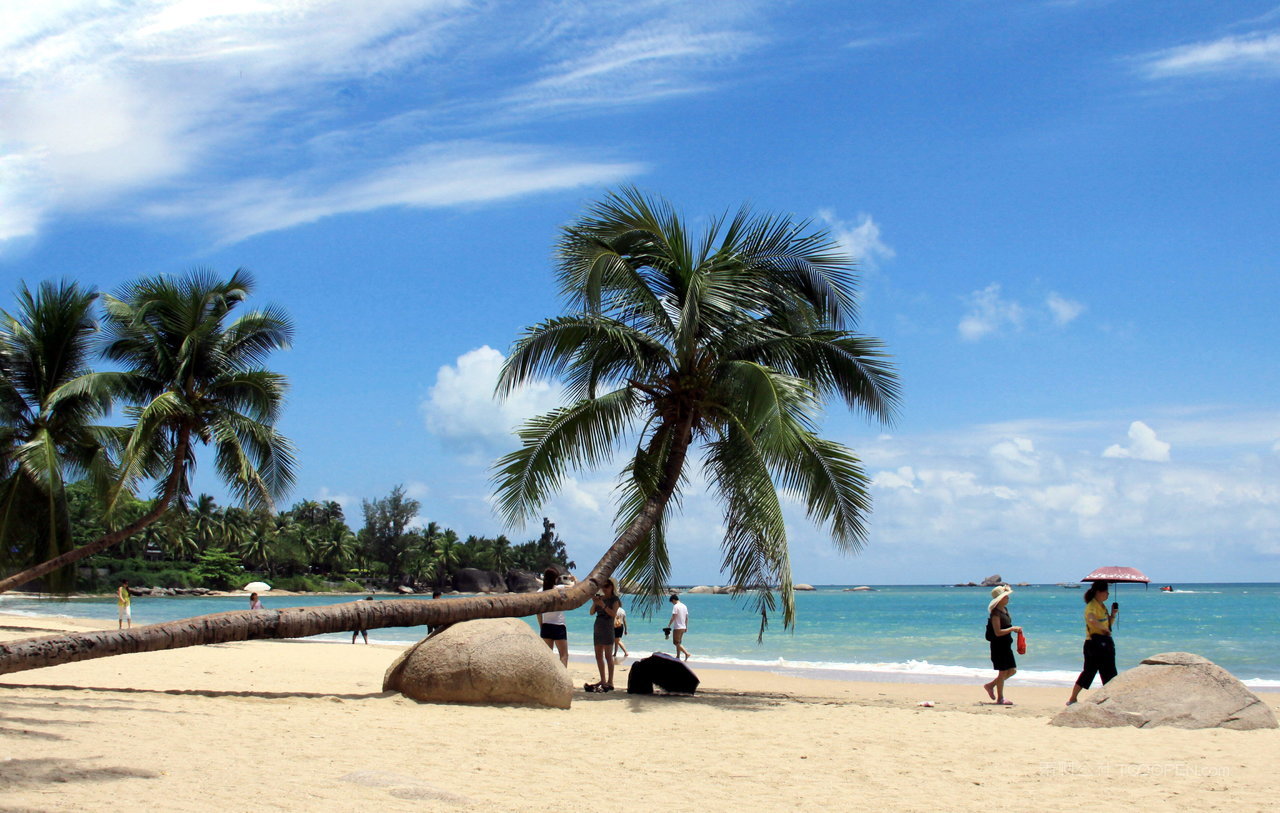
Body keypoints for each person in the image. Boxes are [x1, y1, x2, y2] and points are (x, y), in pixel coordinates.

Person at [1067, 581, 1119, 705]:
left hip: (1105, 642)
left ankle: (1111, 698)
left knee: (1110, 672)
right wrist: (1103, 629)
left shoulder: (1102, 606)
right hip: (1094, 644)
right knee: (1089, 672)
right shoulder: (1091, 606)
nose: (1108, 594)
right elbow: (1091, 620)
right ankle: (1072, 698)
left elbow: (1108, 624)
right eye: (1106, 592)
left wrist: (1113, 615)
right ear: (1098, 592)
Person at [982, 585, 1021, 705]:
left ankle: (991, 685)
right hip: (998, 645)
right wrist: (1012, 628)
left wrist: (1013, 630)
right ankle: (1000, 698)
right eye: (1006, 597)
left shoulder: (1005, 610)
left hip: (1006, 644)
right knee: (1003, 672)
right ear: (1000, 599)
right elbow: (998, 632)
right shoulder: (996, 614)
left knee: (1012, 670)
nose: (1008, 598)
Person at [587, 578, 621, 691]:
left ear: (612, 587)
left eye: (606, 586)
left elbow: (613, 614)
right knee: (598, 655)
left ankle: (610, 681)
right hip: (598, 626)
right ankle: (603, 679)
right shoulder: (600, 598)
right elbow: (591, 613)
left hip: (608, 628)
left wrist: (603, 605)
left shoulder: (614, 600)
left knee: (608, 656)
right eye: (603, 586)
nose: (604, 589)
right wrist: (595, 603)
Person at [536, 567, 569, 667]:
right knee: (563, 655)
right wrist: (574, 579)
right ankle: (563, 679)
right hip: (558, 625)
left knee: (548, 656)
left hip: (546, 625)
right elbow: (576, 587)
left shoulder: (540, 592)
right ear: (555, 579)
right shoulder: (559, 590)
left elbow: (538, 613)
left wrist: (541, 626)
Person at [669, 593, 690, 661]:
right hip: (683, 627)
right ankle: (678, 657)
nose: (673, 603)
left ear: (674, 600)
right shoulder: (684, 606)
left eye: (672, 602)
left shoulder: (676, 606)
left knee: (675, 643)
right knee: (679, 642)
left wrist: (669, 625)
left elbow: (673, 617)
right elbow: (686, 618)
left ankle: (686, 653)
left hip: (677, 627)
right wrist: (686, 627)